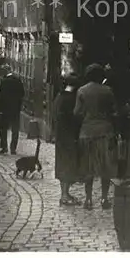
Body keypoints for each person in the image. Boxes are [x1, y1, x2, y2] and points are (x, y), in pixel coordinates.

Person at [74, 63, 118, 210]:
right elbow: (114, 111)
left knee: (88, 167)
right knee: (105, 166)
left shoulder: (81, 91)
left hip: (87, 133)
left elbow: (77, 113)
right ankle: (104, 199)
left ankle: (88, 199)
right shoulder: (108, 91)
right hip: (105, 132)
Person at [53, 73, 82, 206]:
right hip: (69, 137)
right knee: (68, 165)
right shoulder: (71, 99)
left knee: (62, 164)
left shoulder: (59, 97)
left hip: (60, 137)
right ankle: (64, 195)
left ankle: (65, 193)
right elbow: (74, 118)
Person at [0, 64, 24, 155]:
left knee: (3, 129)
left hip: (5, 110)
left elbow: (1, 97)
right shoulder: (18, 80)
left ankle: (4, 147)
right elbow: (22, 94)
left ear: (6, 71)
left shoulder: (4, 82)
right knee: (15, 129)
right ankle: (13, 148)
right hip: (15, 109)